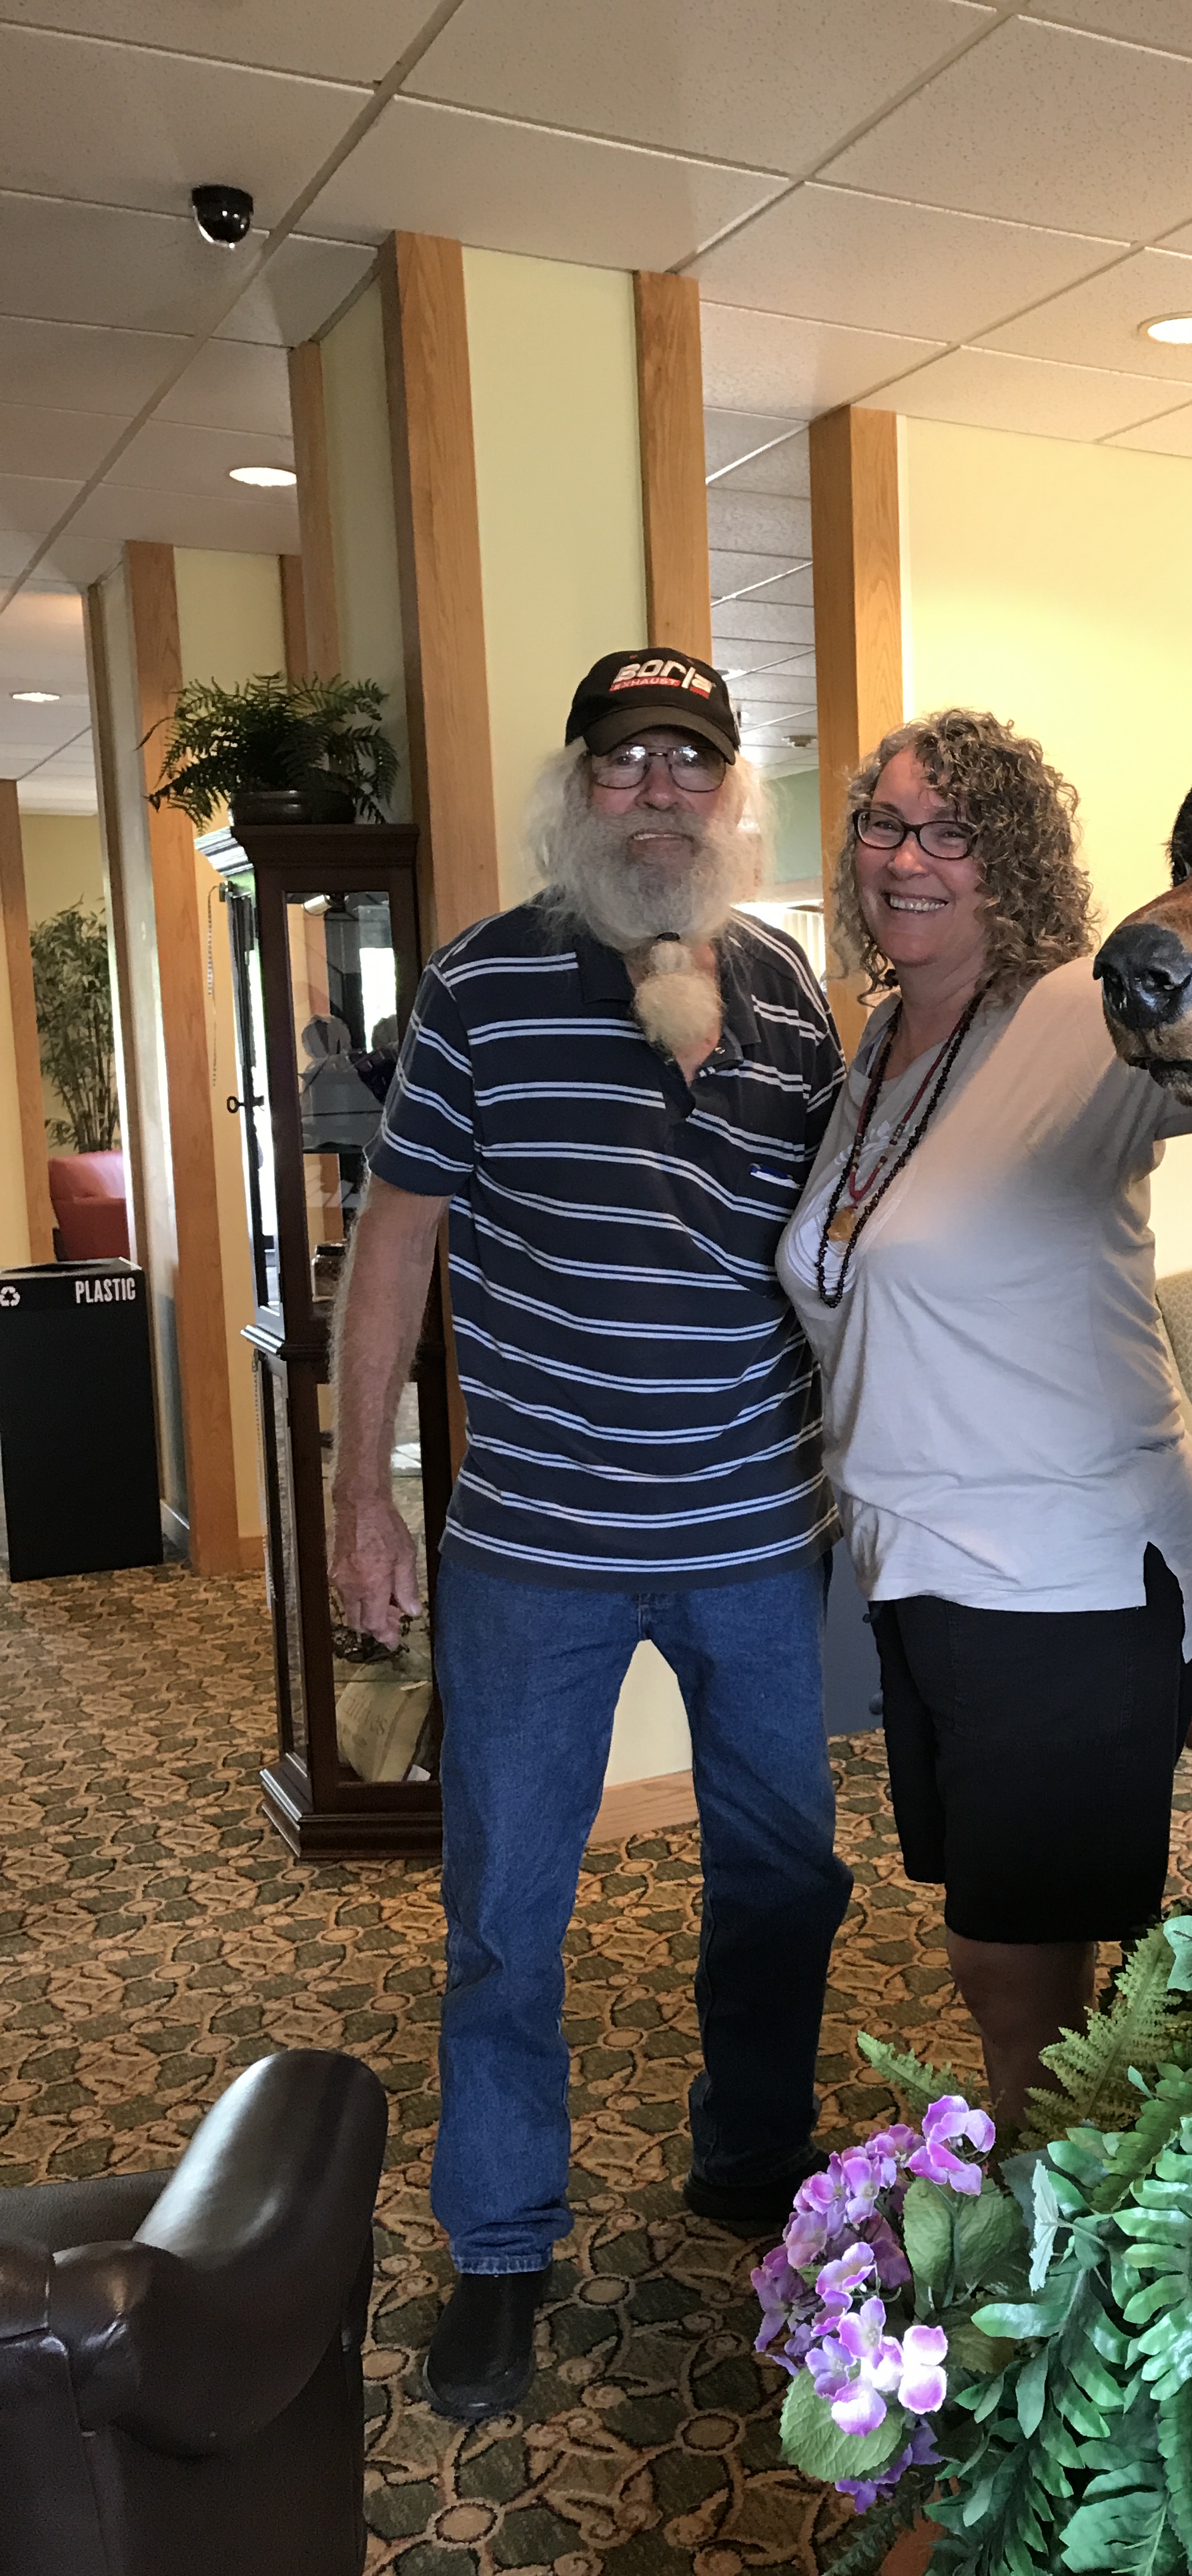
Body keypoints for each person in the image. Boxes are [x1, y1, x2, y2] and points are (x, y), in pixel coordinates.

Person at [329, 647, 850, 2425]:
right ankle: (499, 2245)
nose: (657, 793)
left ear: (728, 797)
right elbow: (393, 1247)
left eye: (688, 764)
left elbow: (834, 1259)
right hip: (535, 1547)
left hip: (758, 1532)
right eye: (626, 761)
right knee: (506, 1910)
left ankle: (751, 2157)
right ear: (577, 788)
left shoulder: (790, 999)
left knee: (785, 1872)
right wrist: (360, 1491)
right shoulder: (480, 986)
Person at [778, 710, 1192, 2128]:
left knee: (1005, 1958)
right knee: (1021, 1938)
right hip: (920, 1564)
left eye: (951, 834)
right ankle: (1066, 2206)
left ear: (1014, 863)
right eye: (885, 825)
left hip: (1067, 1568)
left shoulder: (1074, 1022)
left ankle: (1060, 2244)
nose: (908, 860)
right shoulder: (882, 1051)